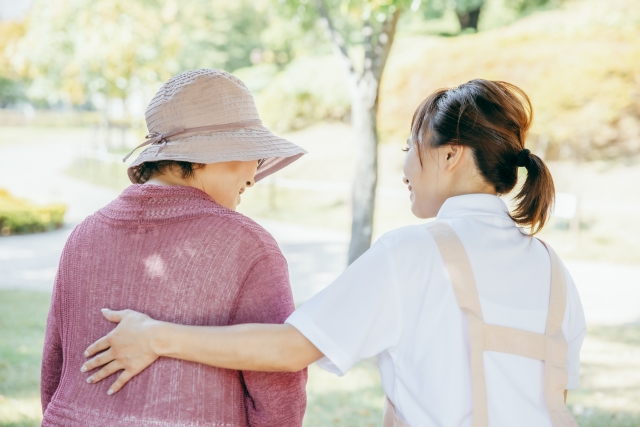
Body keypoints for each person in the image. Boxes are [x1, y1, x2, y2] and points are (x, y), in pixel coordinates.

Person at [82, 79, 587, 427]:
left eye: (409, 148)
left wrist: (155, 337)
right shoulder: (554, 271)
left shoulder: (414, 252)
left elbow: (291, 348)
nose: (405, 165)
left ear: (451, 155)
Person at [40, 69, 309, 427]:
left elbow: (54, 371)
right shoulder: (248, 246)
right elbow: (277, 389)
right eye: (250, 154)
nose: (252, 176)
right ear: (204, 156)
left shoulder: (84, 234)